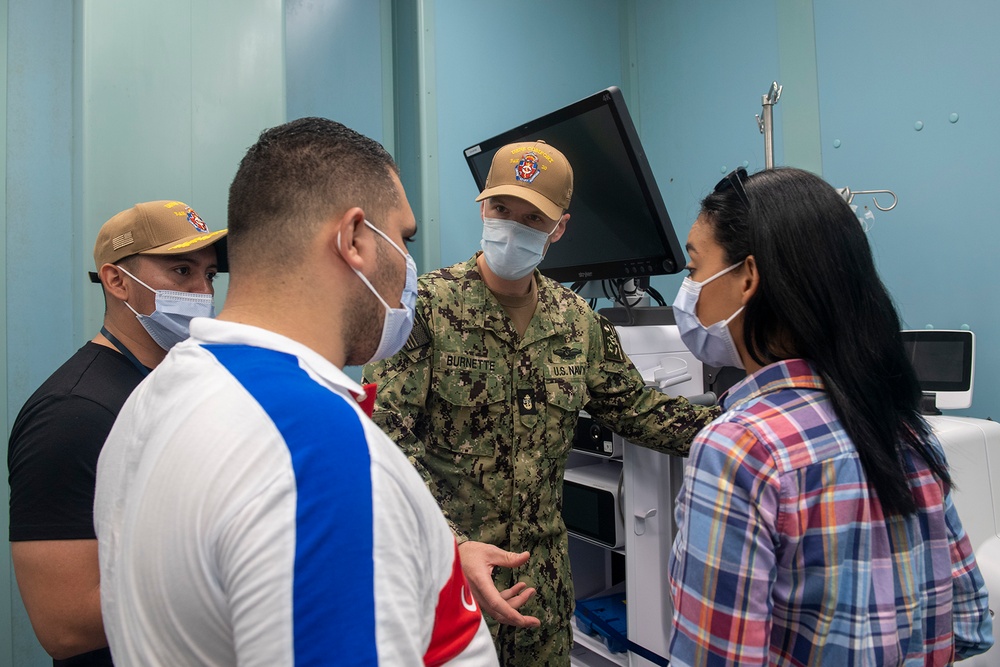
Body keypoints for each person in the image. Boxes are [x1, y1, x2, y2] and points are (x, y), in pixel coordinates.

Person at [93, 117, 499, 666]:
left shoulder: (157, 396)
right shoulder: (314, 454)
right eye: (403, 239)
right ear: (355, 239)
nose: (409, 269)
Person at [363, 139, 719, 666]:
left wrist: (738, 426)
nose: (511, 227)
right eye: (501, 210)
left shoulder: (577, 322)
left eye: (532, 218)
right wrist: (452, 542)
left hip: (542, 592)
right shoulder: (428, 311)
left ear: (559, 229)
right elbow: (383, 439)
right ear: (482, 208)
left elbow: (637, 411)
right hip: (446, 578)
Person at [667, 166, 993, 665]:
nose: (689, 291)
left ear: (748, 277)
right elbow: (968, 624)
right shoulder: (902, 426)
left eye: (694, 269)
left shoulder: (737, 450)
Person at [7, 200, 225, 666]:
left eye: (209, 275)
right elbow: (63, 626)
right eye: (182, 270)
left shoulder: (177, 384)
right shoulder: (72, 414)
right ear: (117, 280)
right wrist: (232, 567)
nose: (202, 291)